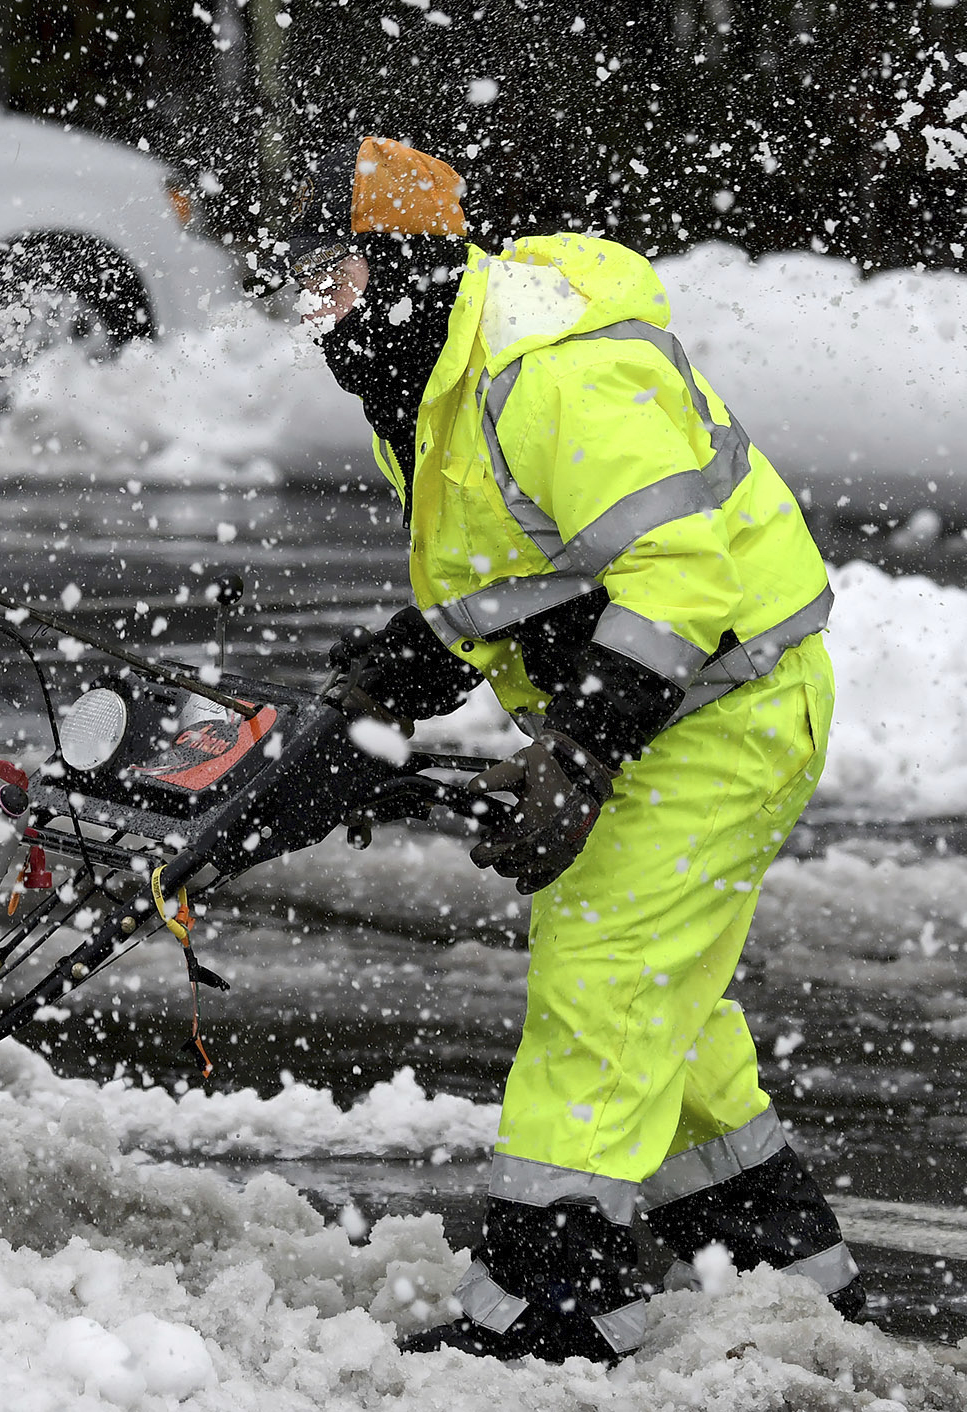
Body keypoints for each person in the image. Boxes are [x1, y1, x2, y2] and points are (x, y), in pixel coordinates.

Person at [287, 137, 862, 1363]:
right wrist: (385, 682)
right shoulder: (429, 385)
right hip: (677, 701)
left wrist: (580, 751)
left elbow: (678, 568)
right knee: (660, 1002)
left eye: (325, 279)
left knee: (600, 980)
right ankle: (788, 1276)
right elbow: (507, 578)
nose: (310, 315)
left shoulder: (542, 372)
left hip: (726, 702)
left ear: (395, 269)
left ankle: (555, 1309)